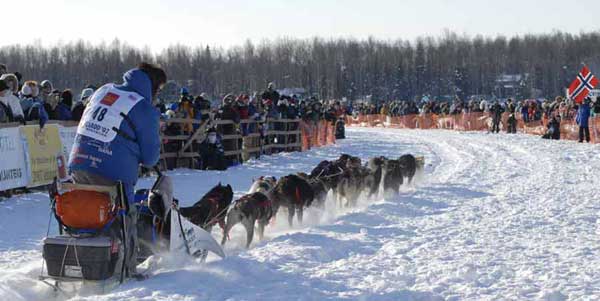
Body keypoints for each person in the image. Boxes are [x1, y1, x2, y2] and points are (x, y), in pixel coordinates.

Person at [68, 62, 166, 276]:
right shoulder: (144, 107)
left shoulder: (104, 90)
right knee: (124, 218)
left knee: (85, 210)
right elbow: (150, 158)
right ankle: (126, 270)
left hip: (78, 162)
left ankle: (79, 260)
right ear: (154, 86)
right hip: (113, 173)